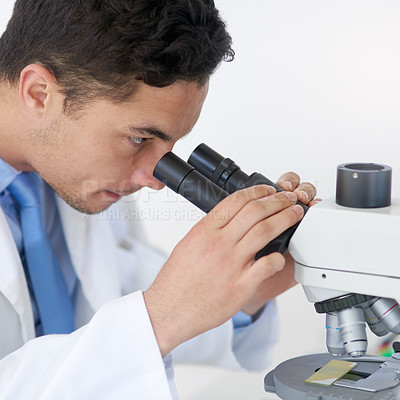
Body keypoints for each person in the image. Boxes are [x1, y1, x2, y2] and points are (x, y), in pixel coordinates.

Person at [0, 0, 317, 398]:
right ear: (39, 92)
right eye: (139, 138)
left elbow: (116, 300)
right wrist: (158, 318)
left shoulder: (79, 175)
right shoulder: (88, 171)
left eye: (170, 146)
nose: (155, 179)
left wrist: (252, 282)